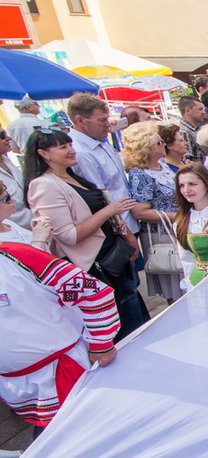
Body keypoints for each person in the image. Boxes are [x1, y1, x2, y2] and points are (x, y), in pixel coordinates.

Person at [23, 127, 146, 340]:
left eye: (70, 145)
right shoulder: (43, 185)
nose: (71, 150)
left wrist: (126, 234)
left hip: (113, 256)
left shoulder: (72, 176)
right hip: (94, 267)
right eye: (63, 147)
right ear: (43, 154)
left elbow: (101, 210)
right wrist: (110, 210)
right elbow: (69, 236)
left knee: (134, 316)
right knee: (121, 326)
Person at [0, 241, 119, 438]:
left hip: (60, 376)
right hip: (14, 387)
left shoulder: (17, 256)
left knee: (88, 439)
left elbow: (94, 292)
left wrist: (101, 346)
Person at [122, 122, 183, 303]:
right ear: (147, 147)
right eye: (158, 143)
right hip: (163, 236)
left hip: (179, 229)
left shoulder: (162, 166)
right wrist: (178, 216)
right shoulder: (140, 173)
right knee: (176, 286)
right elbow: (140, 212)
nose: (163, 145)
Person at [66, 94, 139, 235]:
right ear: (80, 120)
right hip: (120, 230)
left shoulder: (98, 140)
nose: (108, 124)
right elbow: (101, 199)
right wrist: (126, 234)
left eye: (107, 119)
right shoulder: (82, 153)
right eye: (101, 120)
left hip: (129, 221)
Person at [0, 179, 50, 248]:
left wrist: (36, 231)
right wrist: (39, 241)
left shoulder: (6, 223)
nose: (13, 200)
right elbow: (30, 257)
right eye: (7, 198)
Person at [0, 128, 31, 230]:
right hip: (18, 235)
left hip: (39, 225)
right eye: (2, 135)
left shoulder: (6, 159)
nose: (9, 138)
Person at [176, 95, 207, 163]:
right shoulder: (184, 132)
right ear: (188, 110)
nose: (204, 112)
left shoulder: (193, 130)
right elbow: (187, 159)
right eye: (200, 109)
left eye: (203, 109)